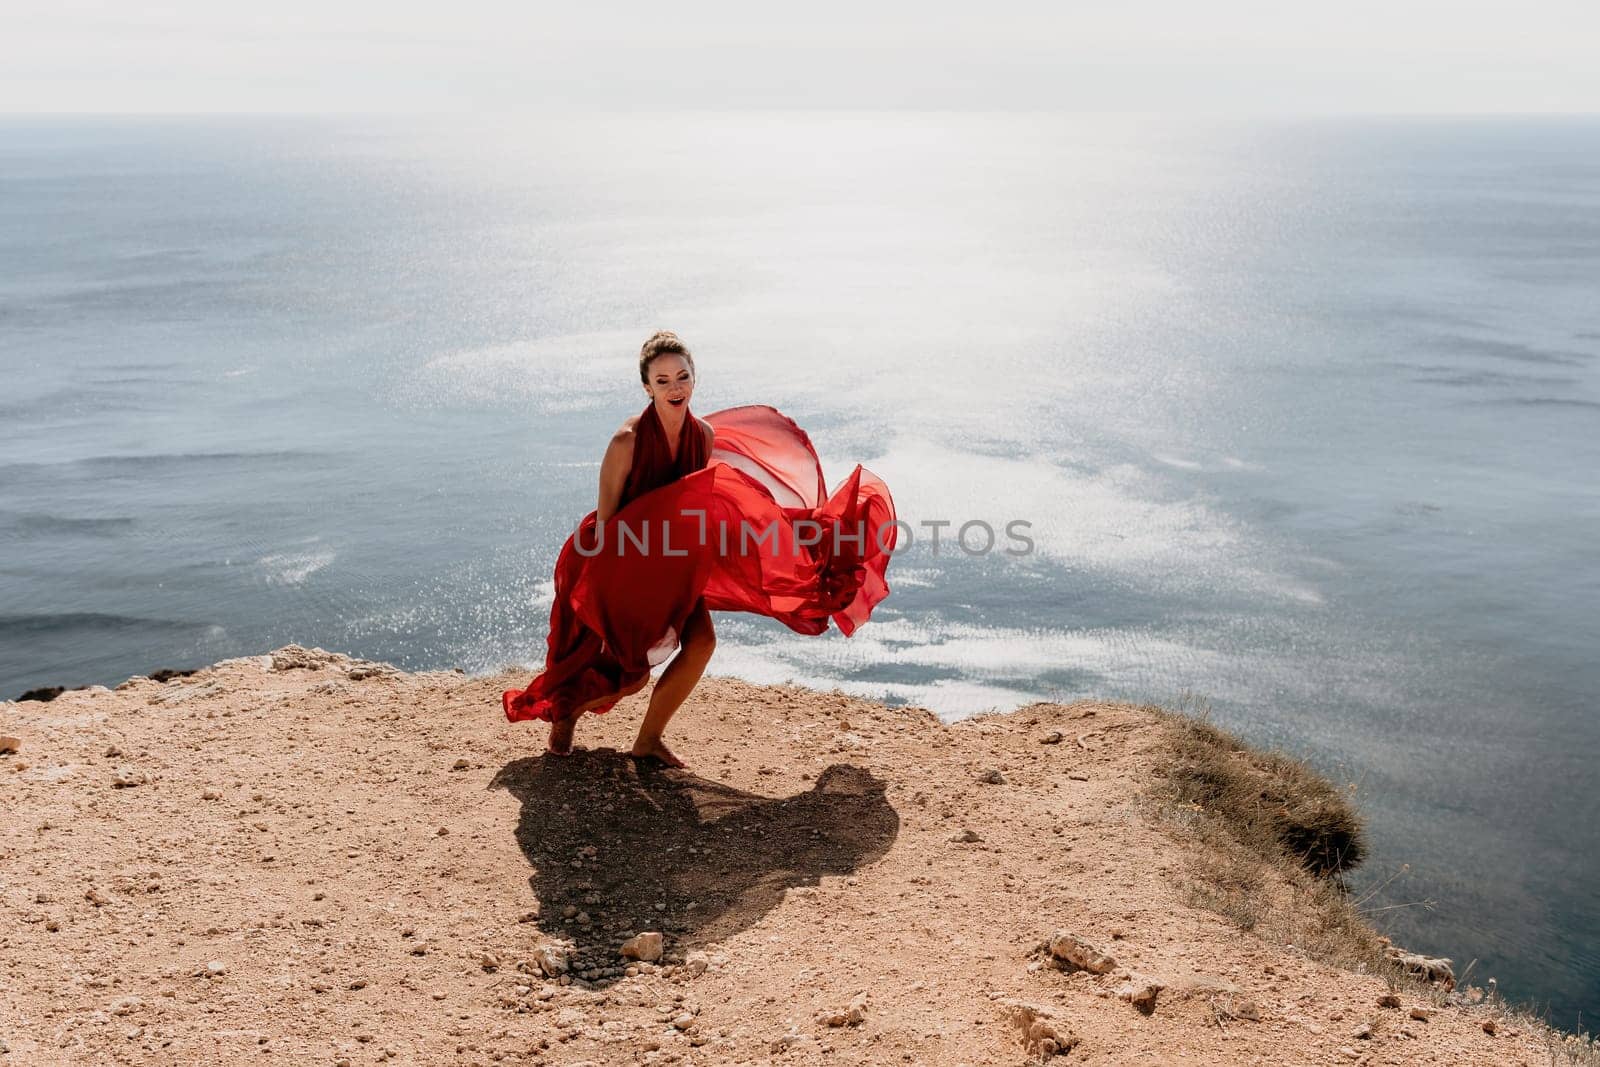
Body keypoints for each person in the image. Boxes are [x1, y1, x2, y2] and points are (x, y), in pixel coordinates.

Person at [503, 330, 895, 768]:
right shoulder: (626, 442)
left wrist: (784, 533)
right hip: (618, 559)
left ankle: (647, 740)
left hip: (675, 562)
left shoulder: (702, 436)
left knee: (700, 643)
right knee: (629, 673)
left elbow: (701, 502)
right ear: (647, 387)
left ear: (694, 379)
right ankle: (566, 713)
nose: (675, 387)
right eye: (663, 379)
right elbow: (609, 522)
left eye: (682, 377)